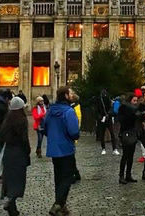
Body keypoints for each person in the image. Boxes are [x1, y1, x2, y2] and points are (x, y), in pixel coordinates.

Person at [43, 86, 80, 216]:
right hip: (66, 148)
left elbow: (44, 127)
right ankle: (58, 204)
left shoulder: (51, 110)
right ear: (65, 96)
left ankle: (61, 206)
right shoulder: (68, 111)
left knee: (59, 178)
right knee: (68, 177)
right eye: (70, 93)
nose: (72, 95)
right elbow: (74, 132)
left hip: (54, 149)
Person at [0, 97, 31, 216]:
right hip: (18, 153)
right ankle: (11, 201)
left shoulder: (7, 119)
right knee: (18, 180)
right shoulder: (22, 120)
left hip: (9, 152)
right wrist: (27, 150)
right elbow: (24, 138)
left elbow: (1, 135)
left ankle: (12, 208)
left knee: (9, 179)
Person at [117, 93, 145, 184]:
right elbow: (123, 120)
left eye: (136, 101)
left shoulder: (134, 110)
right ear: (130, 100)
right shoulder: (124, 109)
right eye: (134, 100)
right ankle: (121, 176)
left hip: (133, 133)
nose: (135, 102)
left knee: (131, 155)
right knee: (125, 155)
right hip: (126, 133)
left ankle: (128, 174)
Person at [96, 88, 119, 155]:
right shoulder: (99, 100)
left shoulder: (108, 99)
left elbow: (111, 108)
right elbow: (97, 110)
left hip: (108, 117)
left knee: (112, 133)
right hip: (102, 118)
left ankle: (114, 149)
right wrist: (100, 116)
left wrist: (109, 114)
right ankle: (104, 149)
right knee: (103, 134)